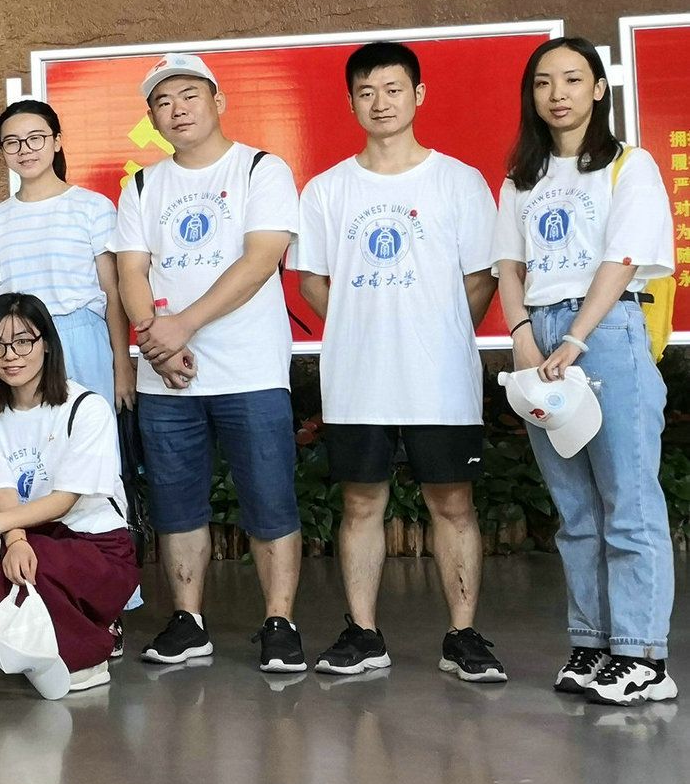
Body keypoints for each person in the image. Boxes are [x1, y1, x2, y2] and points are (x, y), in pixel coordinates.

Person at [295, 42, 503, 682]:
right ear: (351, 103)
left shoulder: (459, 181)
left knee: (453, 504)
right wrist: (362, 327)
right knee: (361, 504)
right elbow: (312, 281)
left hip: (440, 380)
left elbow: (480, 279)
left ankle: (463, 635)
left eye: (392, 89)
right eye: (366, 92)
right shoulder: (327, 190)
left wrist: (437, 331)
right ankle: (363, 634)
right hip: (358, 380)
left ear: (419, 95)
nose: (380, 103)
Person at [492, 36, 677, 704]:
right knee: (574, 509)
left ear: (599, 88)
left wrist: (575, 336)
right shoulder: (522, 176)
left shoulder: (629, 164)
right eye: (544, 82)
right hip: (539, 336)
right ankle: (593, 643)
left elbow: (622, 259)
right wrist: (522, 337)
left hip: (607, 330)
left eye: (573, 79)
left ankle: (643, 657)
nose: (558, 93)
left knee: (628, 500)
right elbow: (508, 265)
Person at [113, 52, 305, 672]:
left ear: (218, 101)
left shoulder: (260, 168)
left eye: (189, 95)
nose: (177, 109)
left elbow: (261, 259)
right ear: (152, 119)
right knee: (176, 507)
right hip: (166, 377)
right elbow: (132, 271)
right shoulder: (142, 186)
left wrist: (183, 325)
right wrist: (158, 343)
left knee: (269, 501)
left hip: (251, 370)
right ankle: (188, 621)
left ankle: (280, 622)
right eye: (163, 102)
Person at [0, 294, 139, 694]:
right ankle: (44, 651)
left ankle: (89, 653)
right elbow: (2, 488)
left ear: (47, 343)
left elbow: (64, 501)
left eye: (23, 341)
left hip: (96, 544)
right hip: (31, 535)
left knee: (34, 568)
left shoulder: (86, 407)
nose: (10, 355)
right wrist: (15, 541)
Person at [0, 101, 129, 405]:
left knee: (87, 428)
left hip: (82, 341)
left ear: (56, 141)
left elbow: (113, 294)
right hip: (18, 347)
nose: (25, 150)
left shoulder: (93, 207)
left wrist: (122, 365)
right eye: (12, 142)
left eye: (35, 138)